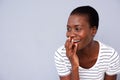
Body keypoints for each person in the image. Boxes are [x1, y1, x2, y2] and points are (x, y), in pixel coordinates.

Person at [54, 6, 120, 80]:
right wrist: (74, 65)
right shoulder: (61, 55)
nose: (70, 35)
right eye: (68, 29)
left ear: (93, 31)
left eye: (77, 29)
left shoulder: (110, 55)